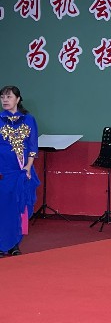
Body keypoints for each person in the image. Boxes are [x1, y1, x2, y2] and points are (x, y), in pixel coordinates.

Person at [0, 86, 40, 257]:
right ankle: (2, 244)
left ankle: (14, 244)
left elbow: (32, 146)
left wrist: (28, 167)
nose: (5, 100)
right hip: (3, 170)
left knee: (19, 207)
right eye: (2, 97)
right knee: (4, 207)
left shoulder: (28, 119)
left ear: (17, 99)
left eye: (9, 97)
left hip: (21, 170)